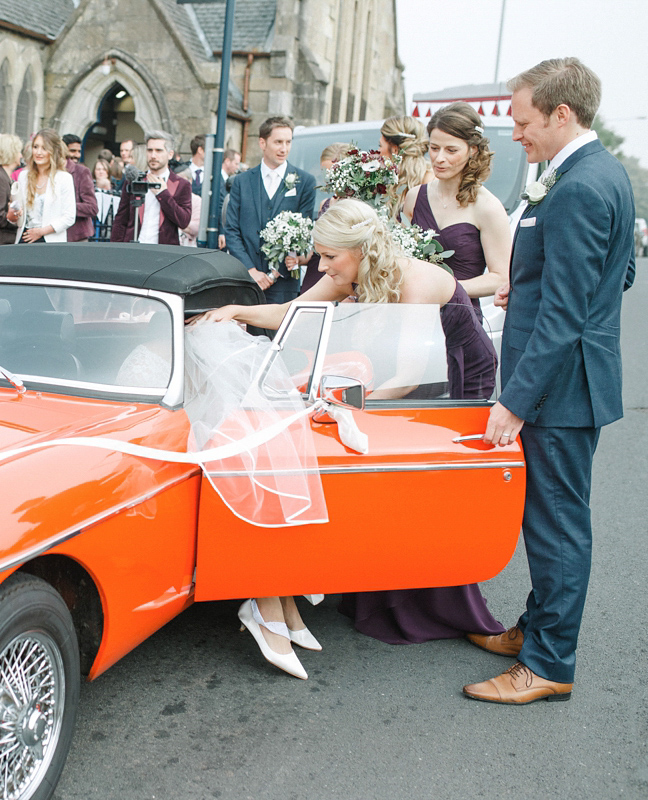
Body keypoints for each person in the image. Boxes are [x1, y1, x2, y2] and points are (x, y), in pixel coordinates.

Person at [194, 197, 501, 679]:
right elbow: (293, 313)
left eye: (329, 256)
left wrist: (343, 404)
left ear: (361, 250)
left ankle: (434, 600)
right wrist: (234, 311)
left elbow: (411, 375)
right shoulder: (341, 271)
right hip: (398, 373)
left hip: (457, 369)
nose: (321, 265)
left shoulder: (416, 282)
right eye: (319, 254)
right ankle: (373, 584)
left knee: (422, 483)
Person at [463, 58, 636, 706]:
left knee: (558, 528)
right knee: (551, 522)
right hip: (570, 378)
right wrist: (527, 285)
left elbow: (567, 312)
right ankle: (536, 630)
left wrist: (514, 401)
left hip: (561, 388)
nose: (516, 134)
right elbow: (616, 278)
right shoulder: (594, 174)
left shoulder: (581, 187)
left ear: (562, 114)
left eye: (523, 121)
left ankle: (548, 664)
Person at [401, 103, 510, 307]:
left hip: (461, 318)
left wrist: (445, 289)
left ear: (473, 150)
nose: (439, 158)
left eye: (451, 150)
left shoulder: (488, 207)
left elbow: (500, 278)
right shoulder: (415, 197)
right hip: (414, 315)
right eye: (434, 148)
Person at [224, 117, 316, 303]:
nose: (284, 149)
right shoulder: (242, 182)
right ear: (262, 143)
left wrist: (274, 273)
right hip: (246, 281)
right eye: (278, 142)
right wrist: (250, 270)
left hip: (284, 285)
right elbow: (232, 230)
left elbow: (302, 234)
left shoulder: (305, 182)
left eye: (288, 142)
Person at [110, 131, 192, 245]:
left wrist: (163, 194)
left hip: (164, 253)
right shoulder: (134, 180)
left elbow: (184, 221)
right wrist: (115, 249)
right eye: (150, 150)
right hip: (133, 249)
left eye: (158, 150)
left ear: (170, 154)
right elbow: (121, 219)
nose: (153, 155)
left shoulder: (182, 184)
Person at [298, 142, 354, 293]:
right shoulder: (325, 203)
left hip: (342, 274)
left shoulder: (358, 206)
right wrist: (300, 258)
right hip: (316, 272)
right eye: (324, 172)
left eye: (332, 172)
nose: (327, 178)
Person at [8, 129, 75, 243]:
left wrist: (41, 232)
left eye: (44, 148)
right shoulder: (23, 176)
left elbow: (69, 217)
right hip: (25, 238)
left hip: (51, 241)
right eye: (35, 147)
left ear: (53, 151)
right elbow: (17, 218)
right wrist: (13, 215)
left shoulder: (64, 178)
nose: (38, 152)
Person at [380, 115, 432, 220]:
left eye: (380, 145)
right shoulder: (386, 182)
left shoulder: (430, 182)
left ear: (394, 150)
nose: (377, 152)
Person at [62, 133, 98, 241]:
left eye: (79, 151)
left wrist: (66, 206)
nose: (77, 155)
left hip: (77, 237)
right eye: (73, 151)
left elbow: (92, 208)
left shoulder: (82, 172)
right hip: (54, 235)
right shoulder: (51, 171)